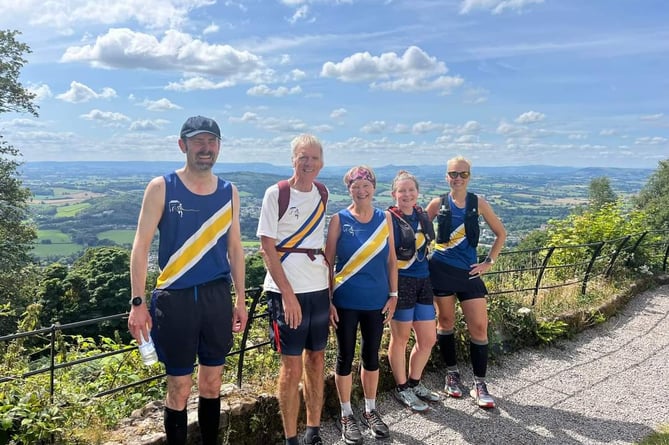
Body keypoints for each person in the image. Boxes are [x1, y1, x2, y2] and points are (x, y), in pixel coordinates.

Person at [128, 115, 248, 445]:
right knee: (179, 387)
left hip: (216, 297)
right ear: (183, 145)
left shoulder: (230, 192)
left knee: (212, 382)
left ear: (219, 146)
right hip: (175, 298)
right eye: (198, 141)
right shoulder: (162, 187)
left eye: (211, 142)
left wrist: (241, 299)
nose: (205, 148)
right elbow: (140, 247)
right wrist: (137, 303)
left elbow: (236, 249)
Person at [256, 134, 332, 445]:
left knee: (316, 359)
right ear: (293, 160)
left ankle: (313, 430)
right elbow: (266, 247)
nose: (309, 163)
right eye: (303, 157)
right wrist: (287, 294)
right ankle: (290, 438)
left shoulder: (322, 193)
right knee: (291, 365)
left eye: (314, 158)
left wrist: (329, 293)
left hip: (317, 288)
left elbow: (320, 245)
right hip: (286, 292)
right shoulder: (276, 194)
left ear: (322, 161)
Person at [325, 165, 398, 445]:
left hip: (376, 301)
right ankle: (346, 414)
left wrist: (393, 294)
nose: (362, 190)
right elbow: (328, 262)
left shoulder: (385, 219)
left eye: (366, 185)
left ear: (374, 188)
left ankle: (370, 410)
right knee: (345, 357)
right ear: (349, 189)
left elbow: (391, 260)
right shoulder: (338, 220)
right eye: (356, 186)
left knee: (370, 357)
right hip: (345, 301)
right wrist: (328, 300)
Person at [425, 155, 506, 409]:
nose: (458, 178)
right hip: (441, 270)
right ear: (446, 176)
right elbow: (418, 233)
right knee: (445, 322)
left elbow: (501, 233)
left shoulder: (478, 202)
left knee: (479, 327)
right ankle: (451, 374)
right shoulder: (437, 203)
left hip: (470, 273)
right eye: (453, 174)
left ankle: (479, 383)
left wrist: (488, 262)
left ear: (470, 176)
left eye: (463, 174)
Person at [386, 170, 439, 412]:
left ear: (417, 192)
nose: (407, 194)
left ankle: (415, 382)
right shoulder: (388, 218)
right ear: (393, 194)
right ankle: (402, 388)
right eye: (402, 190)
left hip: (423, 280)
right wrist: (391, 292)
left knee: (428, 338)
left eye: (411, 190)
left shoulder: (422, 215)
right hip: (401, 282)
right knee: (400, 339)